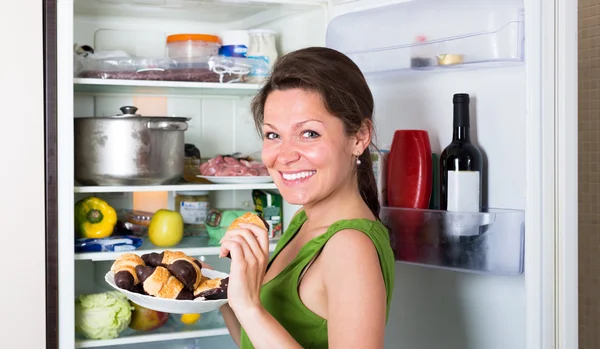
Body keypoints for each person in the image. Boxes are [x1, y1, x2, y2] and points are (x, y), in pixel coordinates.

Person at [217, 46, 395, 349]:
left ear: (359, 137)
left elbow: (255, 316)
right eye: (274, 135)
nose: (285, 156)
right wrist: (221, 295)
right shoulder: (305, 221)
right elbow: (256, 340)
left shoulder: (349, 247)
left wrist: (248, 306)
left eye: (309, 133)